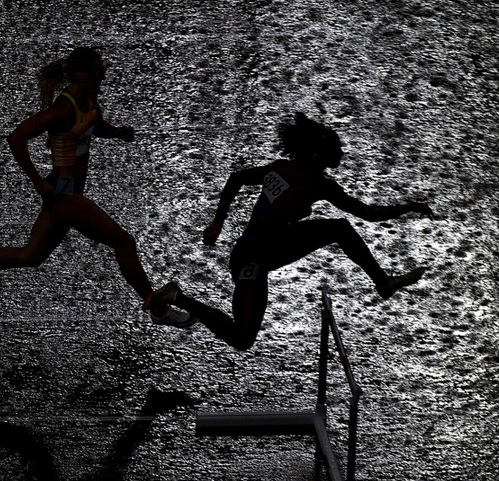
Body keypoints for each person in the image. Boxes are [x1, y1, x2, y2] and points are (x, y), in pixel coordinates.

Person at [0, 47, 194, 328]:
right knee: (123, 241)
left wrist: (118, 133)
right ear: (82, 74)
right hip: (64, 193)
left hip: (67, 191)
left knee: (31, 256)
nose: (104, 75)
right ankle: (157, 309)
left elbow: (95, 125)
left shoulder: (88, 97)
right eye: (100, 71)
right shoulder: (62, 109)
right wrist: (38, 181)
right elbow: (16, 138)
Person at [147, 112, 432, 350]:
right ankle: (178, 297)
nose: (343, 153)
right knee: (242, 338)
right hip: (254, 260)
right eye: (339, 149)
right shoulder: (318, 184)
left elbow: (236, 179)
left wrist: (218, 222)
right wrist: (408, 207)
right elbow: (369, 214)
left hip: (255, 252)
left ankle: (382, 281)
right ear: (320, 154)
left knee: (339, 229)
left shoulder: (280, 168)